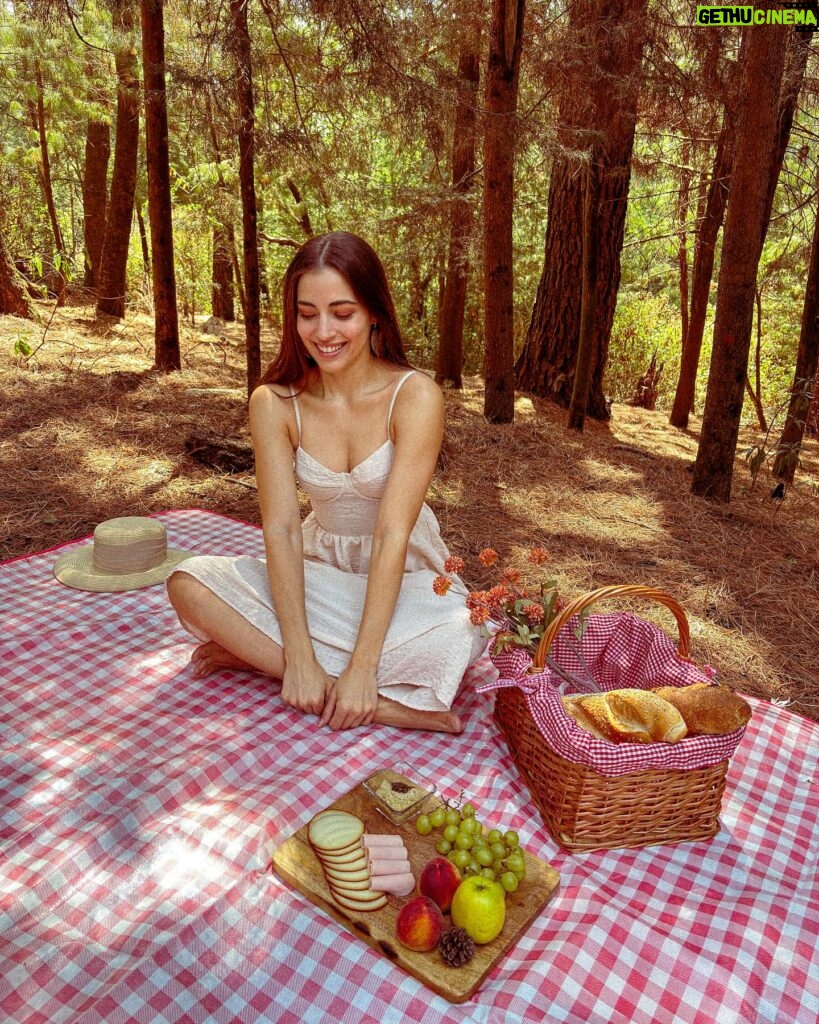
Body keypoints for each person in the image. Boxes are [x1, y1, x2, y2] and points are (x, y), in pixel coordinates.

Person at [167, 231, 485, 733]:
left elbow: (391, 535)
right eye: (307, 312)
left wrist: (363, 664)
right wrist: (297, 654)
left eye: (342, 312)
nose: (323, 331)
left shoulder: (415, 395)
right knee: (187, 583)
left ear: (373, 312)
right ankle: (369, 698)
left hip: (400, 578)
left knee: (463, 625)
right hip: (319, 576)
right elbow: (281, 529)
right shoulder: (275, 403)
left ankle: (267, 660)